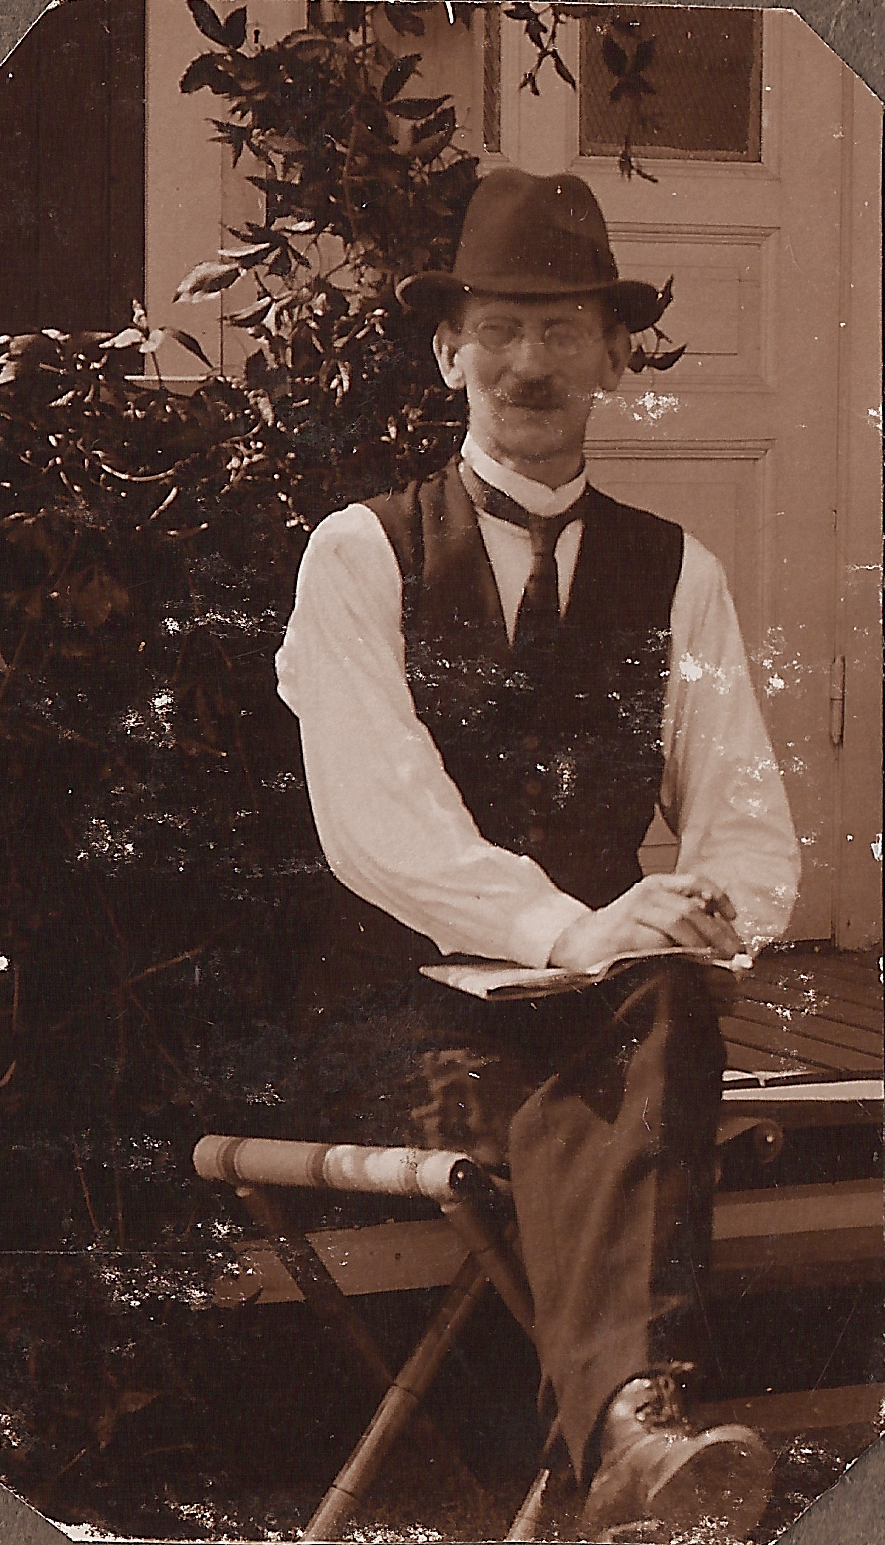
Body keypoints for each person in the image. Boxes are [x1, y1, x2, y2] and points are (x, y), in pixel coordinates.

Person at [275, 169, 800, 1541]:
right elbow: (379, 827)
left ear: (616, 355)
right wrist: (577, 932)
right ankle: (635, 1428)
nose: (528, 364)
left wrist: (704, 911)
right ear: (447, 350)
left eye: (564, 329)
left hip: (607, 1013)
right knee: (631, 1060)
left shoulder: (678, 571)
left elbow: (743, 818)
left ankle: (631, 1438)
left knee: (664, 1002)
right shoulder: (360, 555)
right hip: (399, 1015)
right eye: (499, 328)